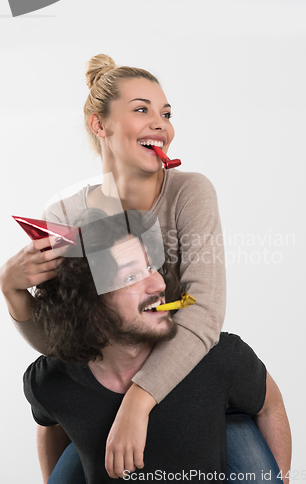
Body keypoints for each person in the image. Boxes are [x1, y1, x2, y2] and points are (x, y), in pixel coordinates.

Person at [0, 54, 282, 481]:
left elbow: (202, 311)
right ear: (100, 125)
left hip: (187, 373)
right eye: (141, 109)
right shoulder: (66, 212)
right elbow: (65, 337)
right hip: (110, 382)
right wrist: (12, 290)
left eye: (166, 113)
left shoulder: (190, 192)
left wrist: (139, 400)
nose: (161, 124)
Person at [23, 209, 291, 484]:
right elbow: (50, 422)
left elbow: (270, 407)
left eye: (151, 267)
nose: (159, 283)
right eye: (130, 277)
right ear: (88, 307)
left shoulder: (219, 358)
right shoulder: (49, 380)